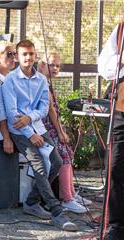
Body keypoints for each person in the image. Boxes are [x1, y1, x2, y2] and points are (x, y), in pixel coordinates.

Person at [2, 40, 77, 231]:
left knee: (57, 162)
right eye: (24, 54)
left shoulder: (42, 80)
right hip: (18, 130)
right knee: (39, 165)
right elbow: (12, 113)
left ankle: (32, 202)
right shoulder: (10, 80)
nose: (28, 57)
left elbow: (44, 108)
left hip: (37, 126)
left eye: (31, 54)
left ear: (35, 56)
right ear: (17, 57)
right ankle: (56, 211)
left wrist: (30, 118)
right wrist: (28, 130)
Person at [37, 52, 91, 213]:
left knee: (68, 154)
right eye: (51, 64)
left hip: (51, 126)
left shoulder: (48, 82)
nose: (55, 68)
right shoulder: (42, 82)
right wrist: (60, 132)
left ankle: (72, 193)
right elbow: (50, 110)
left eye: (57, 65)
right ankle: (67, 198)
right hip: (46, 127)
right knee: (64, 156)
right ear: (41, 65)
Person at [98, 18, 124, 240]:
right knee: (115, 167)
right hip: (122, 109)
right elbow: (104, 66)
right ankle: (116, 225)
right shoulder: (122, 28)